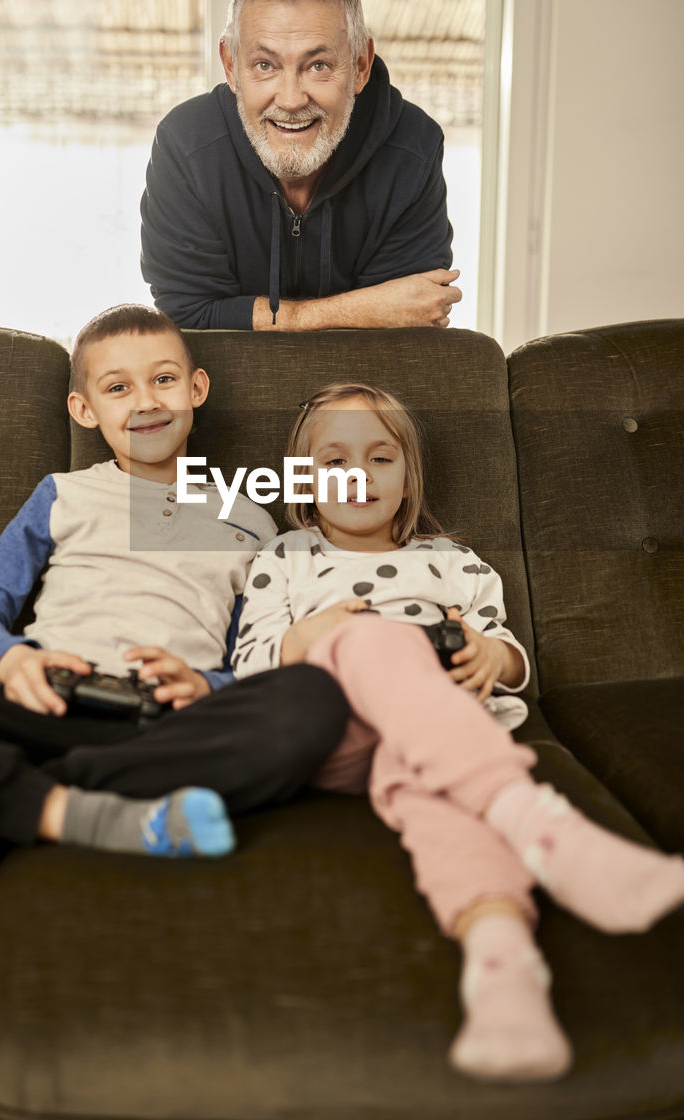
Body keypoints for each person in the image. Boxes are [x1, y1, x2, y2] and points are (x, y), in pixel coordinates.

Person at [232, 382, 684, 1082]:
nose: (357, 476)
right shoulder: (286, 559)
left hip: (435, 740)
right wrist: (307, 637)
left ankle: (502, 971)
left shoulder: (455, 561)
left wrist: (488, 655)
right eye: (332, 462)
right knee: (374, 641)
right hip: (327, 728)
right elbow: (247, 667)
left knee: (432, 799)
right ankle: (540, 827)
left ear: (408, 475)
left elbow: (509, 659)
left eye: (380, 458)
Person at [0, 306, 348, 859]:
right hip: (39, 706)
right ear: (84, 409)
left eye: (164, 380)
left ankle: (9, 783)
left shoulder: (251, 520)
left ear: (196, 388)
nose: (146, 401)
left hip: (160, 728)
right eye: (118, 388)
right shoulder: (61, 495)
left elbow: (250, 655)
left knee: (313, 698)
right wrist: (12, 661)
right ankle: (66, 808)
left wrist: (205, 687)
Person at [140, 0, 460, 331]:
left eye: (318, 66)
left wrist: (247, 314)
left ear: (360, 67)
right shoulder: (185, 146)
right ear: (231, 65)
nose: (291, 100)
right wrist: (344, 312)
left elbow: (407, 327)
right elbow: (188, 318)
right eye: (265, 65)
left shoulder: (413, 148)